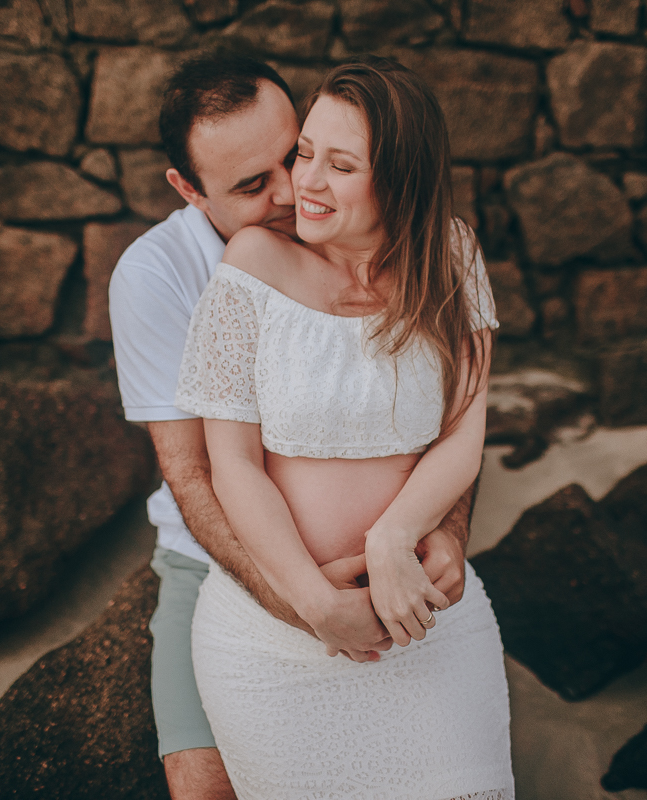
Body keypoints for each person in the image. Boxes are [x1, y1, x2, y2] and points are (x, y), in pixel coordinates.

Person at [107, 53, 475, 799]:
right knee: (207, 787)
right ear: (187, 189)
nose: (294, 190)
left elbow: (438, 418)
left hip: (386, 557)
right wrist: (307, 608)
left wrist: (446, 531)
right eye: (252, 184)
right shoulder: (156, 278)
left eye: (296, 153)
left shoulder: (389, 237)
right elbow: (197, 474)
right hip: (218, 559)